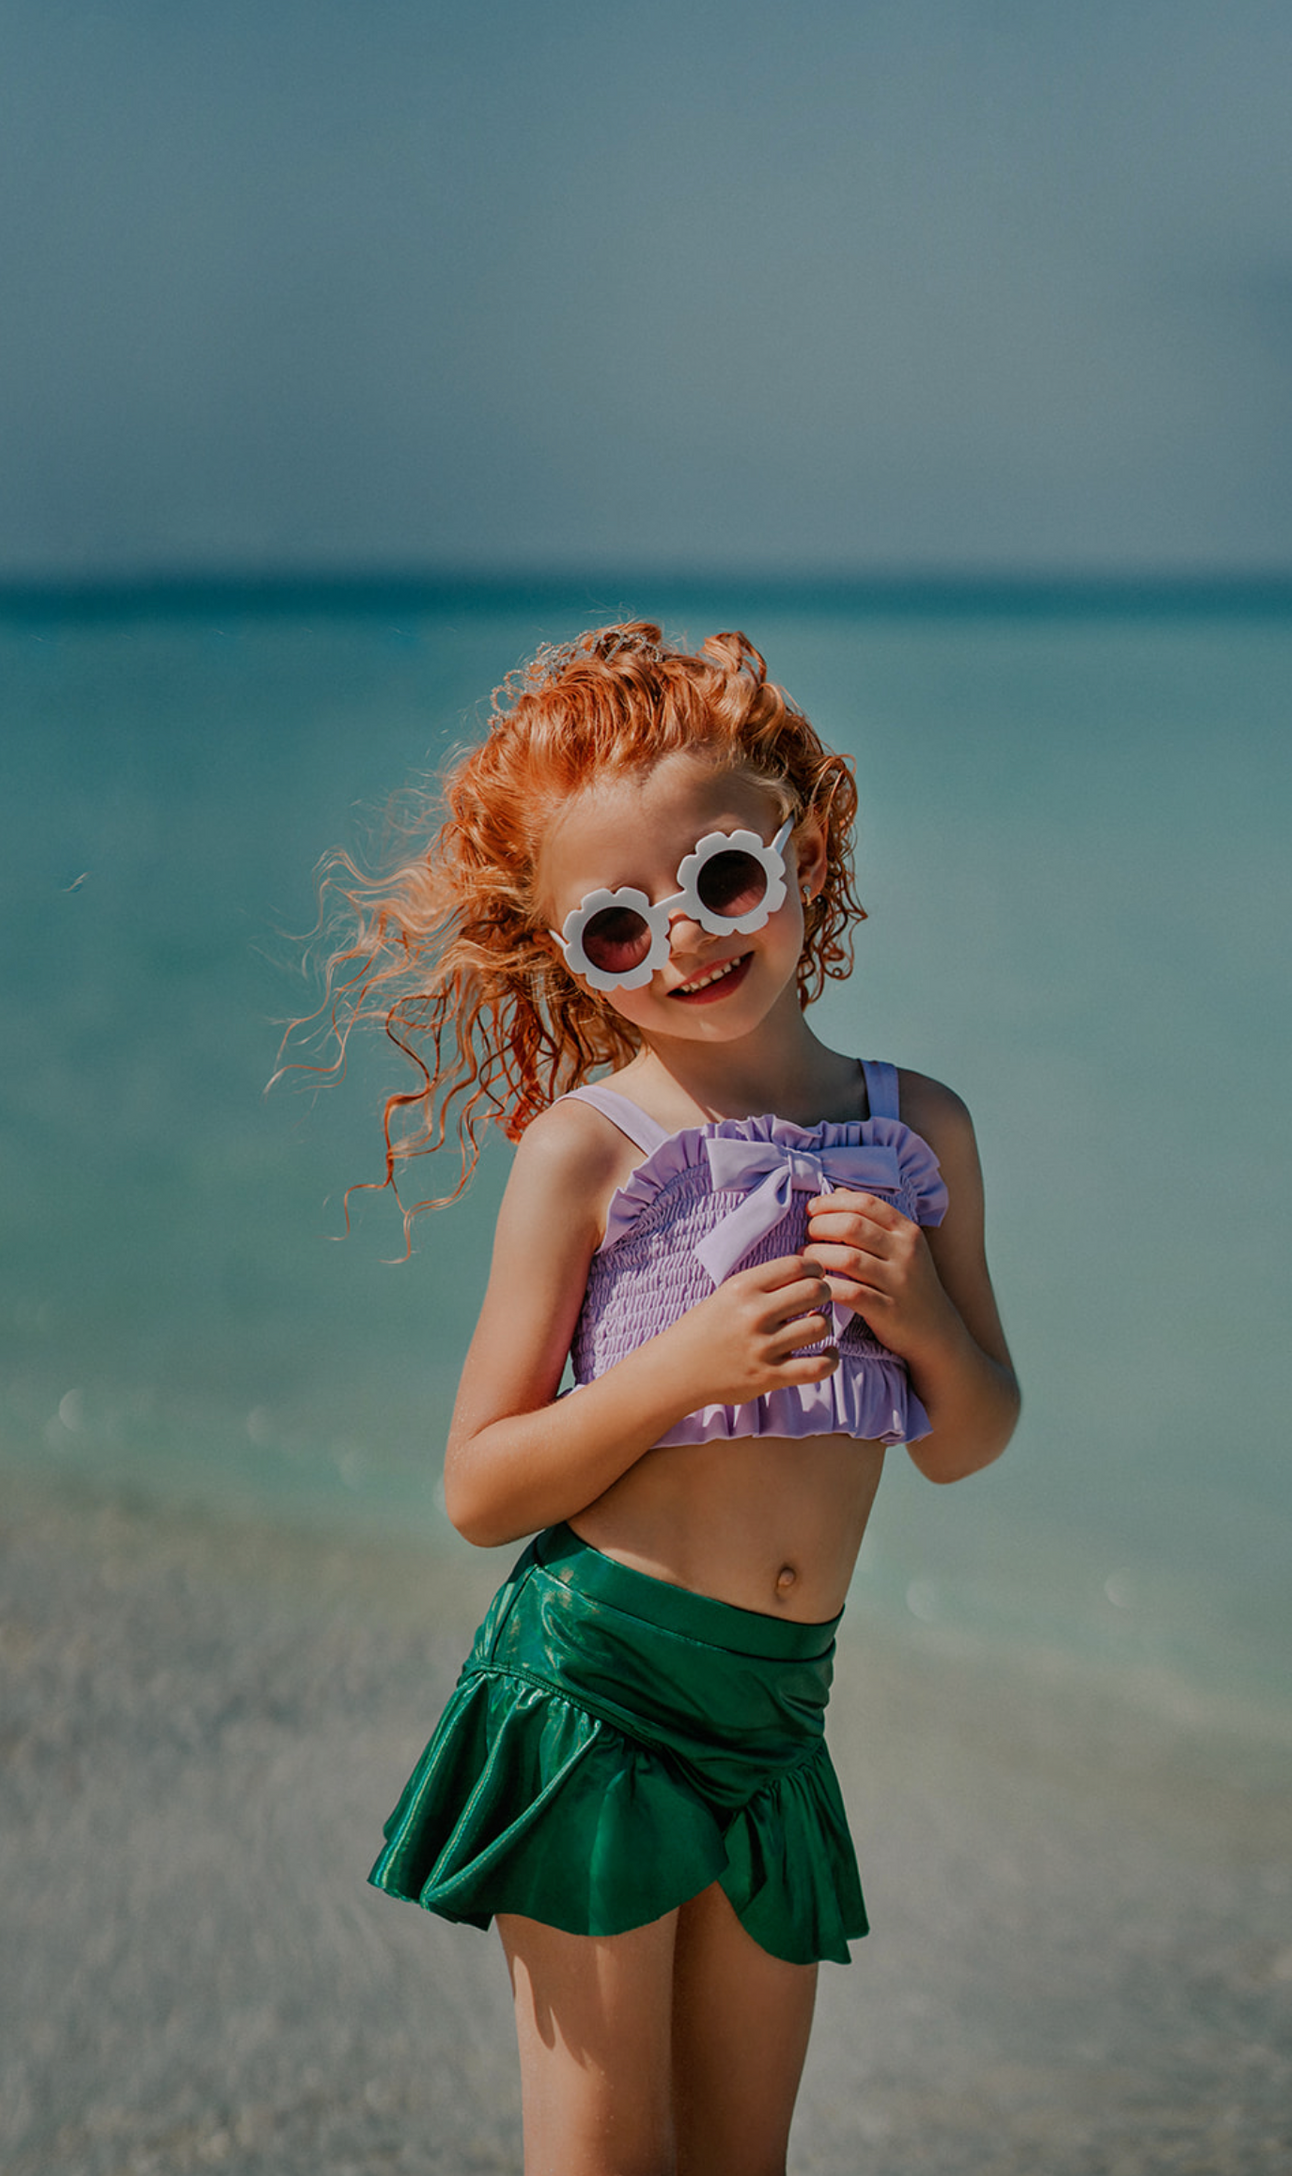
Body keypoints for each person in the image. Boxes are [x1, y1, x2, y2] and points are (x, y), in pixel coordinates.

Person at [302, 622, 1019, 2176]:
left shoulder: (923, 1131)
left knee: (738, 2160)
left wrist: (926, 1325)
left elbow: (973, 1439)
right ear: (557, 955)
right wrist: (671, 1376)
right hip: (595, 1699)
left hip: (778, 1714)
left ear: (804, 846)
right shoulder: (587, 1148)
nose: (684, 946)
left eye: (722, 883)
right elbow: (481, 1484)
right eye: (615, 932)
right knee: (602, 2158)